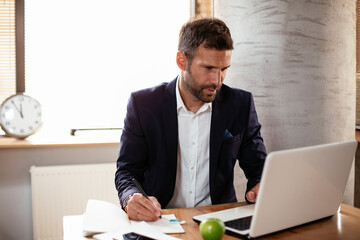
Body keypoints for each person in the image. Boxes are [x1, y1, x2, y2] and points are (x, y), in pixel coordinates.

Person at [115, 17, 267, 222]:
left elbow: (258, 166)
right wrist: (130, 198)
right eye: (208, 68)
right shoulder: (143, 105)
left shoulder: (240, 104)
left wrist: (259, 185)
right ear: (181, 61)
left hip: (219, 222)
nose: (217, 80)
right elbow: (127, 171)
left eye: (224, 69)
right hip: (160, 222)